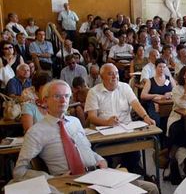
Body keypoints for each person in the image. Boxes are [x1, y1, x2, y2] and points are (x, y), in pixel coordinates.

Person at [13, 80, 159, 194]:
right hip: (72, 183)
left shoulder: (75, 122)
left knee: (151, 188)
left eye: (66, 96)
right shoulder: (36, 132)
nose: (63, 100)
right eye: (57, 96)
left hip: (97, 175)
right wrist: (51, 179)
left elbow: (86, 150)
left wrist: (100, 159)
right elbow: (20, 171)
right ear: (45, 101)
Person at [84, 63, 155, 173]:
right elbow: (91, 117)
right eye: (110, 74)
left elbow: (136, 104)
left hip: (125, 131)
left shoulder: (125, 87)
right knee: (108, 160)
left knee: (134, 151)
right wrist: (106, 122)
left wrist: (146, 117)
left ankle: (134, 173)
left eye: (116, 73)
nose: (115, 76)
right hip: (104, 134)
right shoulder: (93, 92)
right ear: (102, 77)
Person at [140, 58, 176, 126]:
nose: (162, 69)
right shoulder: (150, 81)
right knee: (157, 119)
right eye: (160, 67)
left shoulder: (168, 79)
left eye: (164, 67)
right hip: (154, 105)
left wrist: (170, 93)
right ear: (155, 67)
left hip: (168, 104)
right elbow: (143, 95)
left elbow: (176, 91)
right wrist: (155, 95)